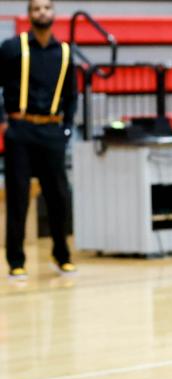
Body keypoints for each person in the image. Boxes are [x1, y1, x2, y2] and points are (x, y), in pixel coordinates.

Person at [0, 0, 76, 279]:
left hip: (52, 132)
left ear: (54, 13)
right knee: (18, 197)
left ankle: (62, 254)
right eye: (36, 8)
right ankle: (16, 261)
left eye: (47, 7)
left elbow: (71, 96)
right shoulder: (11, 48)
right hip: (20, 130)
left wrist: (66, 129)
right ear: (29, 15)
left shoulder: (65, 52)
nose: (42, 12)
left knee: (58, 195)